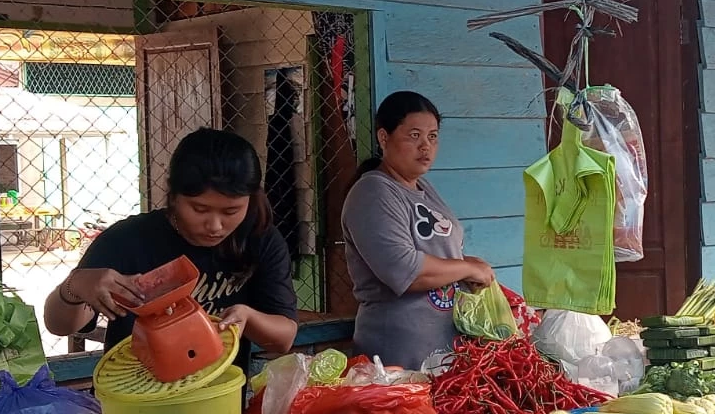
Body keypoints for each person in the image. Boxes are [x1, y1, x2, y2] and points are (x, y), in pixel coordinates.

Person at [43, 128, 298, 360]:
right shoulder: (126, 240)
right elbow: (59, 326)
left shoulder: (259, 238)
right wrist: (75, 285)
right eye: (199, 209)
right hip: (132, 398)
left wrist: (248, 317)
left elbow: (284, 340)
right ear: (173, 196)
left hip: (219, 396)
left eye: (231, 211)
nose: (215, 226)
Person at [341, 91, 494, 371]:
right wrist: (466, 268)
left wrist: (470, 268)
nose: (426, 146)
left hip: (444, 353)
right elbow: (405, 270)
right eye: (414, 136)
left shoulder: (423, 189)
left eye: (433, 136)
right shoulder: (373, 192)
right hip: (397, 355)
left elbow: (442, 254)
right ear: (383, 138)